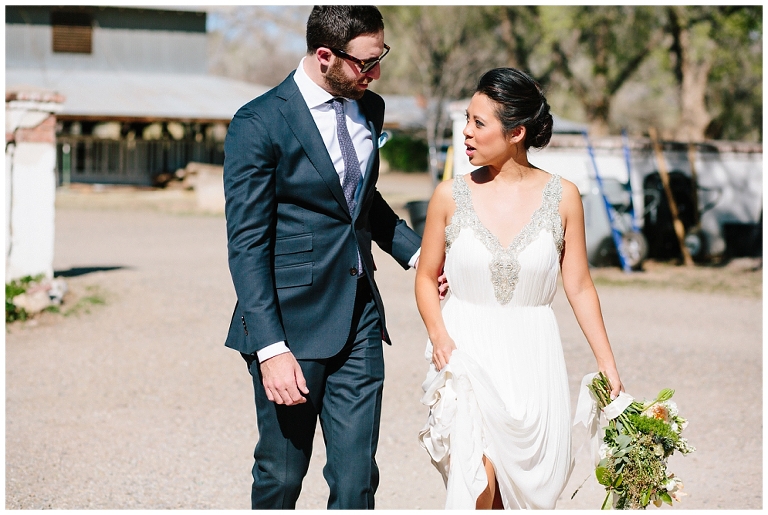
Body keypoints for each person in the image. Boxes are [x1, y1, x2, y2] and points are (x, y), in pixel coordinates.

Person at [222, 6, 423, 509]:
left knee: (357, 484)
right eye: (365, 64)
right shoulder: (258, 122)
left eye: (381, 58)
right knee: (282, 477)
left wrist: (417, 253)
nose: (375, 74)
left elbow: (359, 199)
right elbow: (247, 242)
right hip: (290, 325)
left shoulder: (368, 108)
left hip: (359, 317)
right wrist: (270, 348)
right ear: (325, 55)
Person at [414, 68, 624, 510]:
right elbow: (425, 275)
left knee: (526, 495)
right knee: (478, 487)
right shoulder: (448, 196)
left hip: (533, 358)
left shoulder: (564, 197)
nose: (466, 132)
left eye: (478, 123)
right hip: (466, 356)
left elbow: (581, 286)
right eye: (467, 120)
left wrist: (607, 365)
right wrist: (439, 337)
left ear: (517, 132)